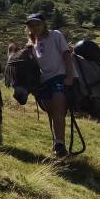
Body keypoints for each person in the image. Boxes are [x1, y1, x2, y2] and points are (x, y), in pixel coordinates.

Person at [25, 13, 72, 158]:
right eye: (31, 25)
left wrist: (69, 75)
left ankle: (59, 144)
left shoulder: (55, 35)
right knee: (51, 111)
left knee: (58, 109)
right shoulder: (32, 44)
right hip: (44, 81)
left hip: (59, 76)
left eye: (37, 24)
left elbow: (66, 54)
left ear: (44, 24)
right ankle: (57, 142)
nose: (34, 28)